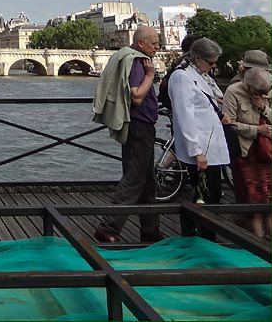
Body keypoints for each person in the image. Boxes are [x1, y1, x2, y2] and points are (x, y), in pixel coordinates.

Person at [93, 25, 162, 244]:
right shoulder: (137, 63)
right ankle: (108, 227)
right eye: (154, 43)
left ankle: (150, 230)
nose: (158, 48)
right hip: (139, 126)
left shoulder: (134, 58)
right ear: (141, 43)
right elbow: (137, 97)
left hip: (142, 126)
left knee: (147, 181)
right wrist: (151, 75)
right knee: (134, 178)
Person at [168, 37, 230, 206]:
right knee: (205, 198)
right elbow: (184, 116)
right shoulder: (182, 77)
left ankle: (206, 231)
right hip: (201, 148)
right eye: (211, 63)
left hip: (210, 145)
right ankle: (203, 232)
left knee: (213, 195)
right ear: (197, 58)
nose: (213, 66)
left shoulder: (197, 74)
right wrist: (196, 151)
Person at [222, 67, 272, 239]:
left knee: (269, 201)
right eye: (260, 91)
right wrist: (257, 130)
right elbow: (229, 125)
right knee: (253, 201)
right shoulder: (233, 92)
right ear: (249, 86)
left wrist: (264, 107)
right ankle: (257, 243)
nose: (264, 94)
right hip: (246, 154)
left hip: (268, 154)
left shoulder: (267, 92)